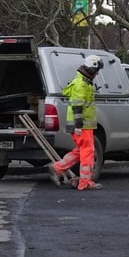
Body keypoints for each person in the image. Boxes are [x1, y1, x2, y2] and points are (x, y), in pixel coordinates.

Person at [48, 55, 104, 190]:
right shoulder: (82, 84)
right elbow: (77, 106)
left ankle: (57, 168)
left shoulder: (82, 82)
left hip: (83, 124)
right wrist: (78, 125)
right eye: (97, 71)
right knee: (88, 151)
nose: (97, 74)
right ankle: (85, 182)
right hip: (82, 125)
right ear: (91, 69)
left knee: (81, 151)